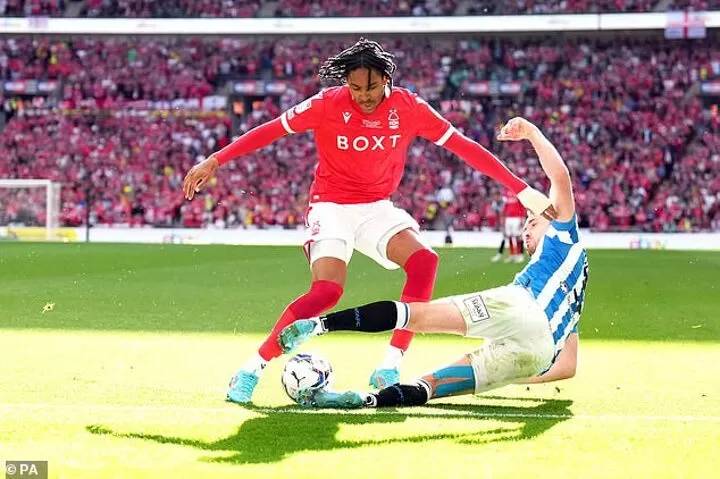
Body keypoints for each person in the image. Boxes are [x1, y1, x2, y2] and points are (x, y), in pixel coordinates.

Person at [182, 39, 554, 404]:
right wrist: (215, 160)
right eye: (355, 88)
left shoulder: (409, 108)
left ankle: (389, 366)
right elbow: (272, 129)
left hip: (376, 207)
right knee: (327, 292)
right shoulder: (326, 104)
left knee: (425, 261)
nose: (363, 96)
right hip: (331, 206)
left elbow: (464, 147)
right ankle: (251, 368)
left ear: (386, 79)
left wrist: (522, 190)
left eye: (371, 87)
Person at [278, 117, 587, 409]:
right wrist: (508, 375)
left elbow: (560, 177)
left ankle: (319, 325)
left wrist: (531, 132)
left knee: (416, 316)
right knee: (431, 385)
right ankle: (367, 400)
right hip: (539, 352)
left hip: (521, 306)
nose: (526, 229)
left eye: (532, 223)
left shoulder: (563, 234)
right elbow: (568, 366)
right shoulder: (574, 288)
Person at [491, 189, 527, 263]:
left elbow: (522, 206)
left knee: (518, 236)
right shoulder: (506, 193)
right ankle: (512, 255)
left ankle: (520, 255)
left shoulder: (518, 192)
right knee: (509, 236)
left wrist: (522, 218)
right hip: (508, 218)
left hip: (517, 217)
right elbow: (506, 207)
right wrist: (504, 218)